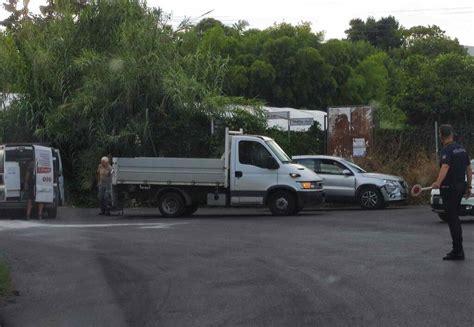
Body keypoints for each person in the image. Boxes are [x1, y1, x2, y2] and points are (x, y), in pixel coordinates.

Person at [432, 125, 472, 261]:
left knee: (453, 219)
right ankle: (458, 249)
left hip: (450, 188)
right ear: (452, 134)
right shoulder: (461, 149)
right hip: (460, 186)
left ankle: (458, 251)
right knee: (454, 218)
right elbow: (468, 169)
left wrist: (438, 182)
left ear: (441, 135)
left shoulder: (447, 150)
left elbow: (445, 167)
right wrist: (469, 187)